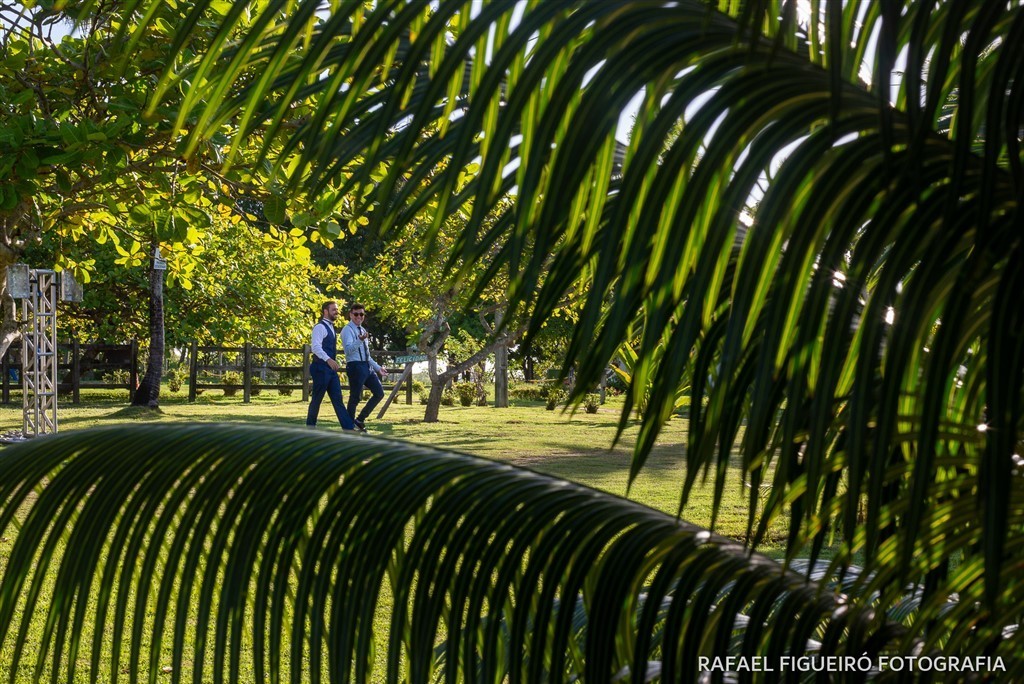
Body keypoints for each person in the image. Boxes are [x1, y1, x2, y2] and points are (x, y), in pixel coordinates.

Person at [306, 301, 357, 431]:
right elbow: (315, 347)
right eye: (334, 309)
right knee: (317, 399)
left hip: (330, 370)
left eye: (337, 309)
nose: (337, 312)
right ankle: (310, 427)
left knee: (337, 399)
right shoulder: (320, 327)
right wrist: (328, 359)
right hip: (320, 368)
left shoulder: (332, 328)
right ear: (325, 311)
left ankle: (349, 428)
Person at [342, 303, 388, 431]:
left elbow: (367, 356)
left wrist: (378, 368)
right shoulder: (347, 330)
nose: (359, 317)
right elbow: (348, 351)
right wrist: (360, 340)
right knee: (355, 397)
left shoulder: (363, 331)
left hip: (367, 366)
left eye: (361, 314)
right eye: (356, 314)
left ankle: (359, 420)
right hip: (355, 366)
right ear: (351, 314)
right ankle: (349, 426)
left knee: (379, 393)